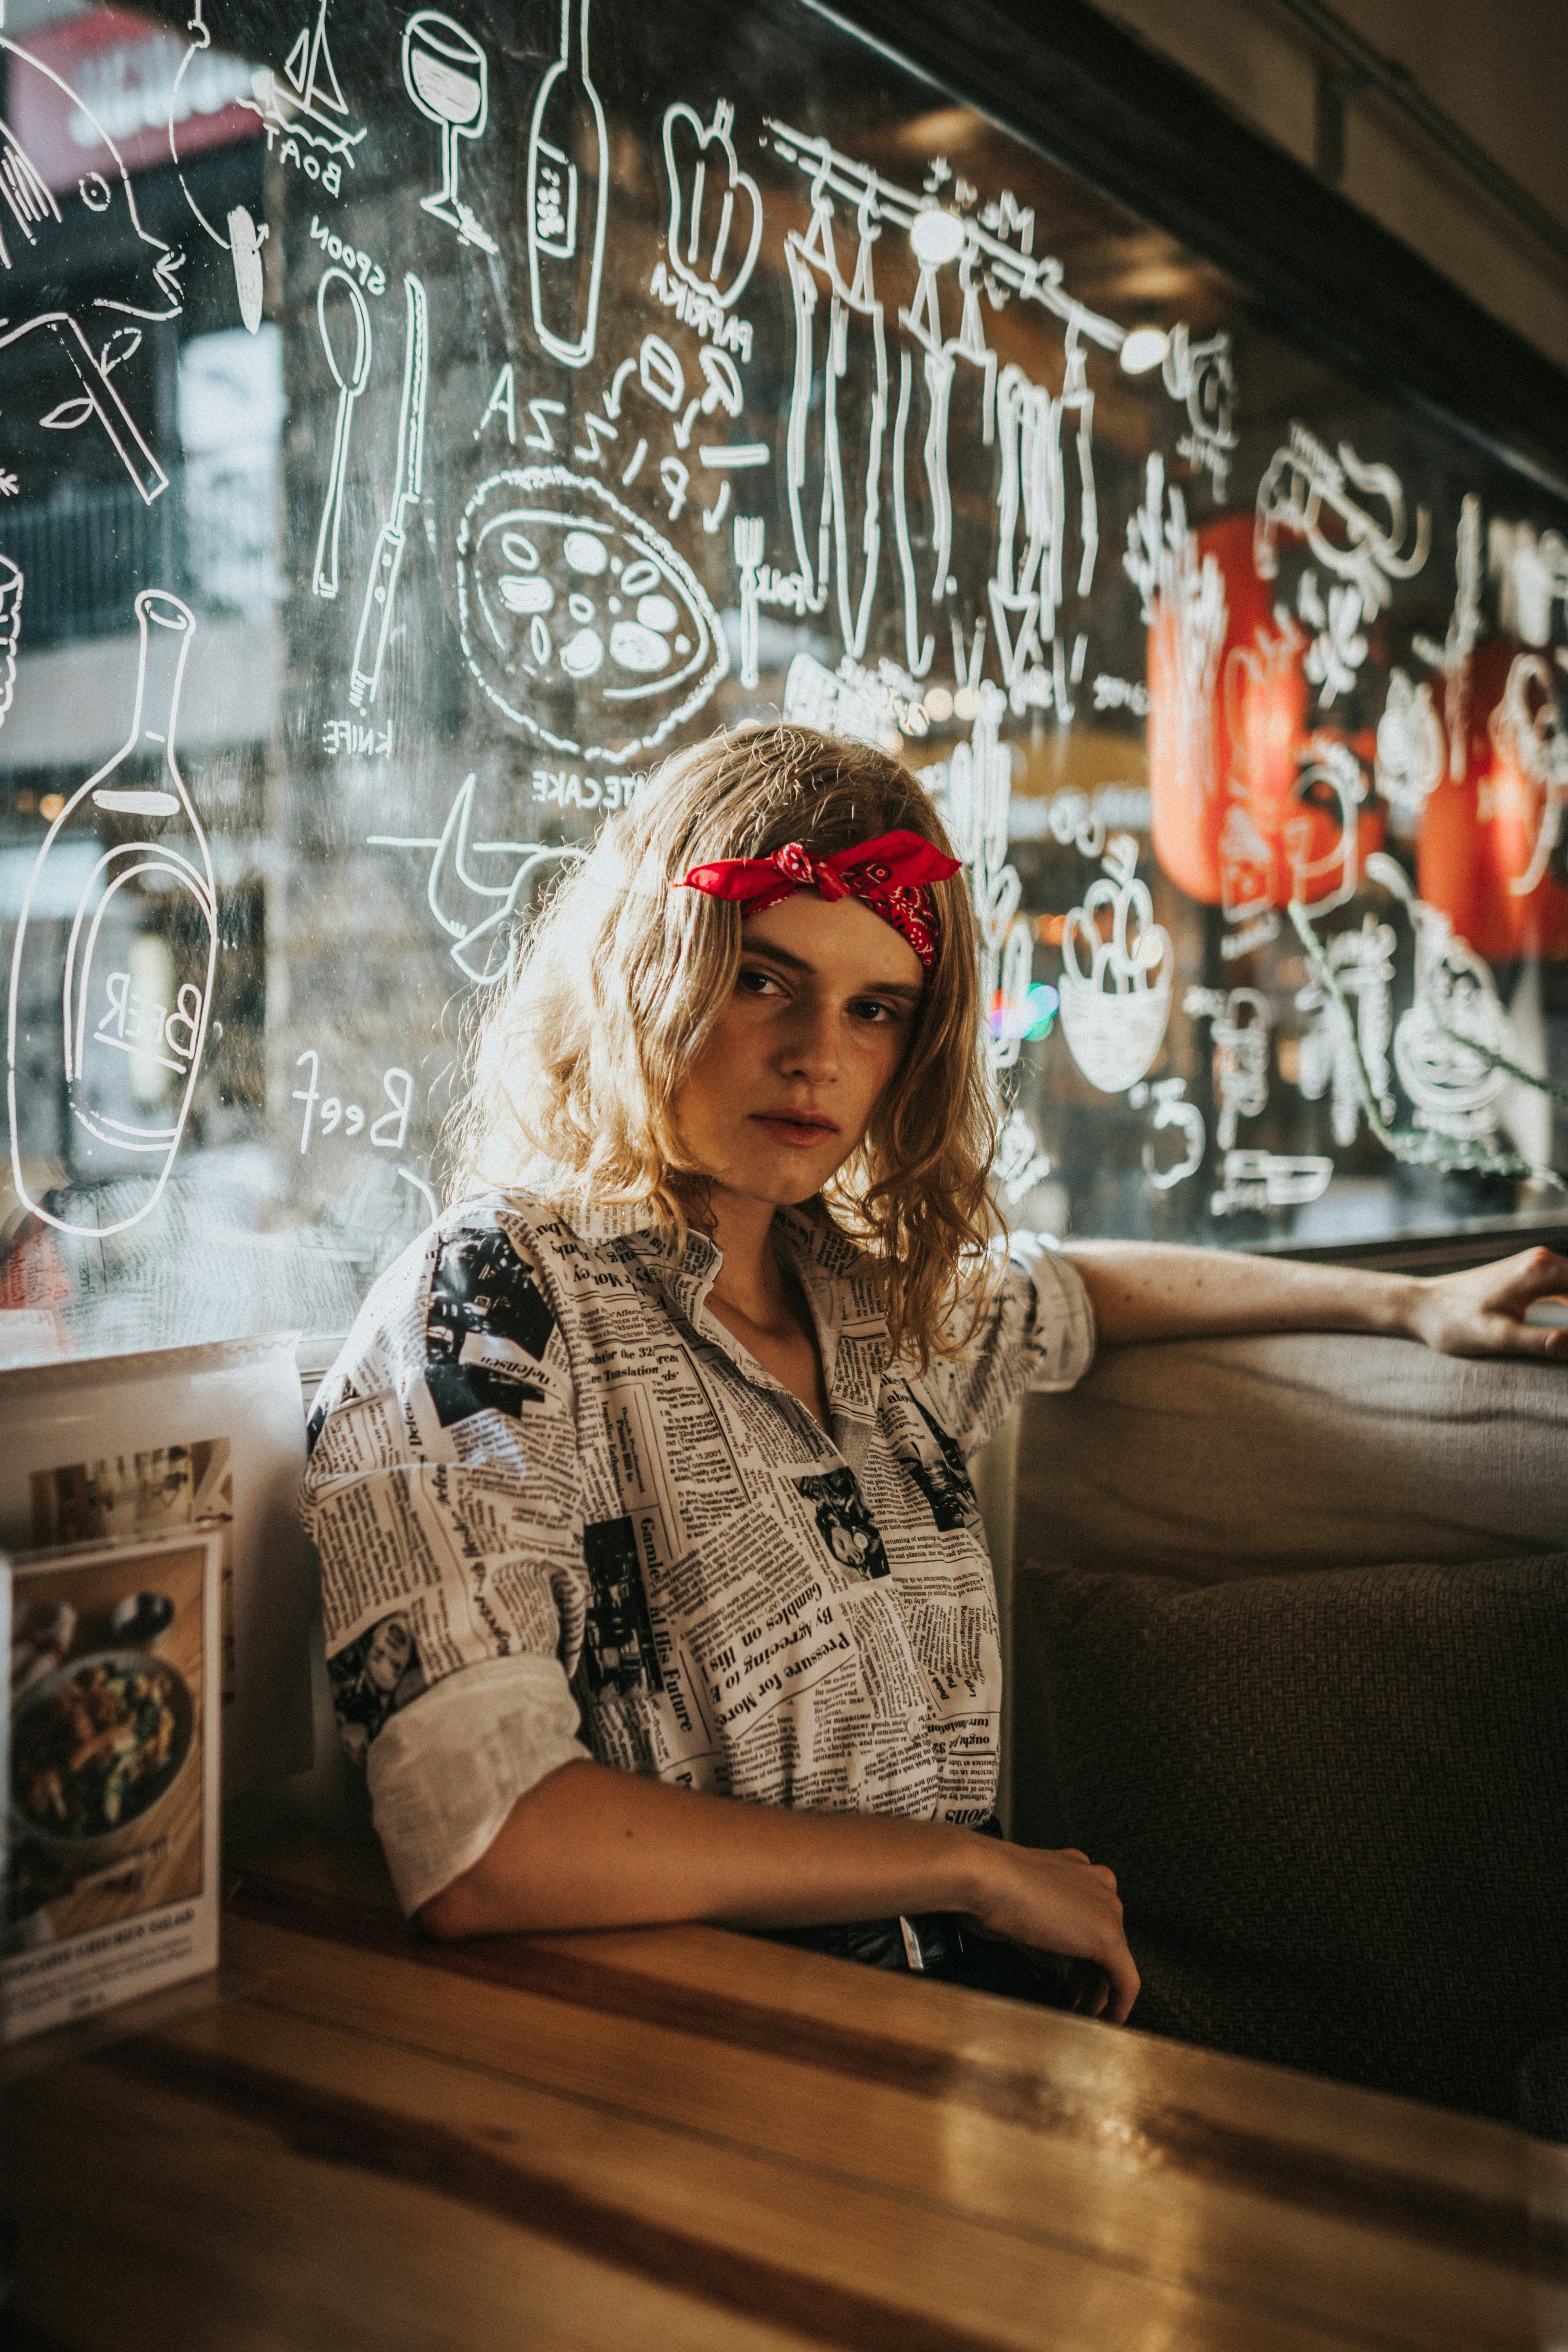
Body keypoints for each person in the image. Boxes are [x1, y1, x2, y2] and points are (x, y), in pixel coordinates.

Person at [301, 725, 1568, 2025]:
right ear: (648, 971)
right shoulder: (496, 1294)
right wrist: (968, 1869)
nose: (818, 1055)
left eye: (876, 1008)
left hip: (966, 2037)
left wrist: (1406, 1302)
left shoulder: (869, 1308)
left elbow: (1074, 1287)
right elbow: (484, 1845)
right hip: (706, 2058)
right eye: (763, 978)